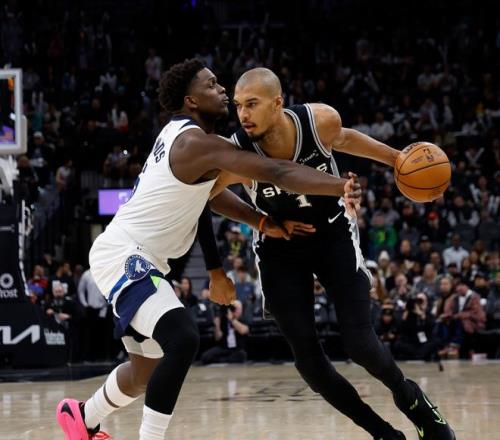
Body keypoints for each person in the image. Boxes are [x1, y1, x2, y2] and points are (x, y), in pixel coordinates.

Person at [56, 59, 361, 440]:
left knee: (144, 373)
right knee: (183, 337)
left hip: (142, 257)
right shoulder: (196, 143)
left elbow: (209, 199)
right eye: (212, 85)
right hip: (125, 254)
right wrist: (338, 186)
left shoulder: (184, 137)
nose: (222, 91)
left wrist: (260, 223)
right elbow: (277, 172)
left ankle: (82, 416)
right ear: (191, 100)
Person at [209, 68, 455, 439]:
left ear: (277, 104)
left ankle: (414, 401)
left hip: (333, 235)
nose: (242, 114)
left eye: (252, 104)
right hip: (280, 248)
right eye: (239, 105)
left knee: (360, 344)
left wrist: (396, 159)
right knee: (309, 364)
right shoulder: (236, 151)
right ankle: (383, 434)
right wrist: (260, 222)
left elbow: (343, 137)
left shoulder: (318, 120)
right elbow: (211, 196)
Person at [200, 300, 249, 364]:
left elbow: (243, 331)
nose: (235, 310)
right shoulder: (224, 320)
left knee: (242, 355)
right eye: (233, 308)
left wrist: (232, 320)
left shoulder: (243, 319)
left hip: (237, 349)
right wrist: (217, 325)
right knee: (205, 357)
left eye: (237, 309)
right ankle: (225, 360)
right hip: (224, 347)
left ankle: (221, 360)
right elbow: (218, 337)